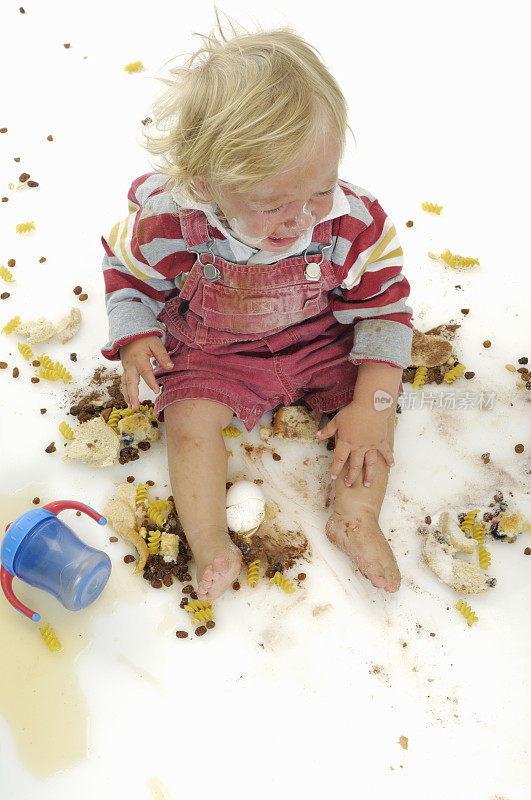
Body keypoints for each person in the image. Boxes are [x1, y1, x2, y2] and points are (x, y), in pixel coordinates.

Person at [100, 13, 414, 602]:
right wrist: (137, 332)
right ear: (204, 185)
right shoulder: (168, 225)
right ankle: (210, 540)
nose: (302, 219)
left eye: (321, 187)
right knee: (189, 422)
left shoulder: (353, 223)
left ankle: (356, 515)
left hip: (322, 339)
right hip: (215, 349)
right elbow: (125, 274)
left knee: (376, 403)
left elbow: (385, 312)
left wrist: (373, 402)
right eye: (272, 204)